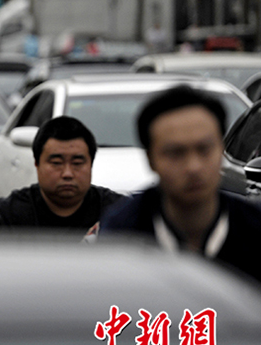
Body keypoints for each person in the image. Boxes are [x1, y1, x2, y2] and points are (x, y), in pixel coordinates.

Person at [96, 85, 261, 284]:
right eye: (175, 153)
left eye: (204, 149)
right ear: (150, 159)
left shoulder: (254, 229)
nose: (193, 167)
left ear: (222, 152)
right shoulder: (120, 236)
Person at [0, 116, 124, 232]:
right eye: (57, 163)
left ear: (91, 164)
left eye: (77, 163)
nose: (67, 173)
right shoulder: (9, 217)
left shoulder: (120, 213)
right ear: (37, 164)